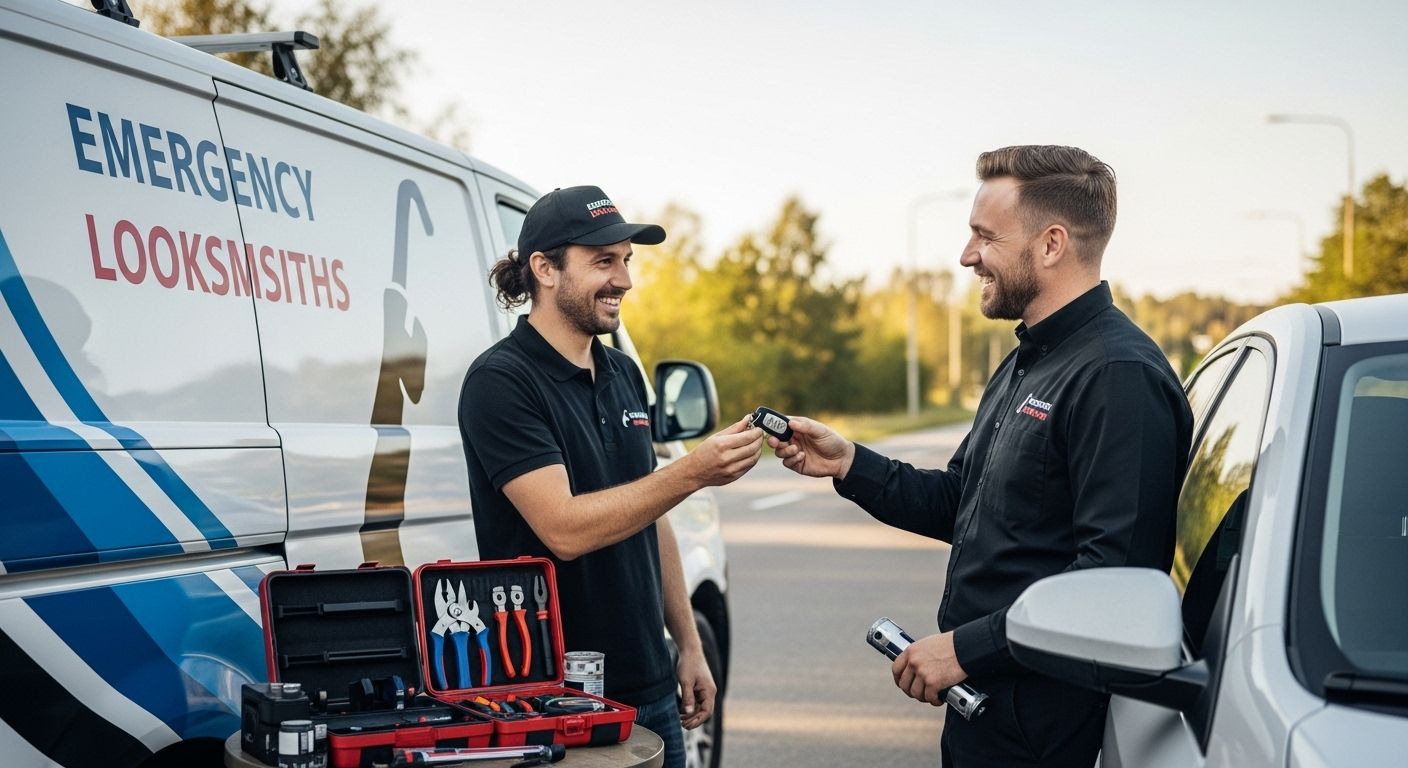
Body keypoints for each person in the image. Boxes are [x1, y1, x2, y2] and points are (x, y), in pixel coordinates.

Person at [771, 146, 1194, 767]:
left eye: (983, 236)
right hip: (985, 713)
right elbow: (959, 502)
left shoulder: (1118, 376)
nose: (967, 255)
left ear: (1051, 245)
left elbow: (1115, 585)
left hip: (1051, 732)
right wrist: (848, 463)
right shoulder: (1030, 359)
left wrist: (965, 650)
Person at [459, 185, 763, 767]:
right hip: (552, 699)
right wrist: (693, 471)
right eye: (604, 261)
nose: (624, 279)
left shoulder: (622, 372)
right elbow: (564, 529)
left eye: (627, 260)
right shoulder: (501, 382)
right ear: (544, 269)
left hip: (650, 685)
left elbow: (651, 518)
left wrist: (689, 646)